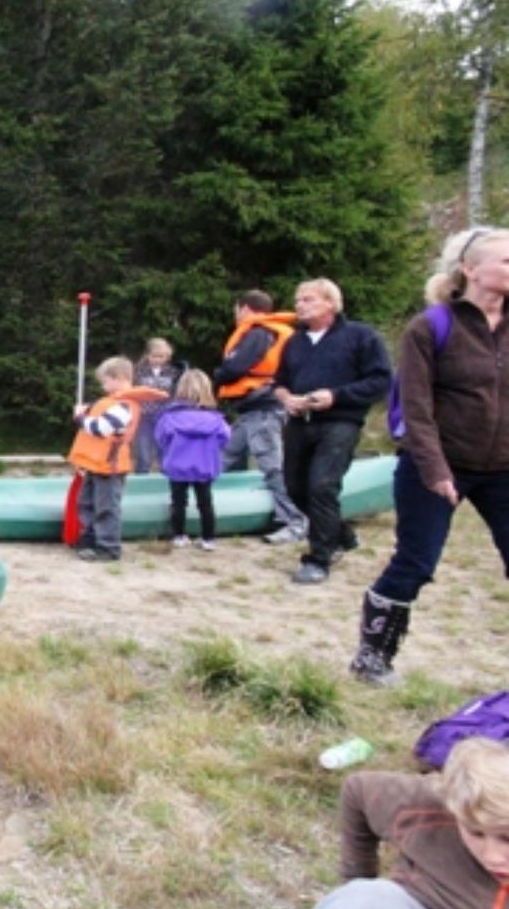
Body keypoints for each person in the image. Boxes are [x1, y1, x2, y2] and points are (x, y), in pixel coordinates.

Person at [351, 228, 509, 687]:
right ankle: (372, 658)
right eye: (506, 260)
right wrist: (436, 470)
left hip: (502, 468)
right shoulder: (431, 327)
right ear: (470, 269)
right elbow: (415, 408)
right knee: (416, 562)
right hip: (435, 464)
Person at [235, 736, 509, 909]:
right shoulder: (434, 805)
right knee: (372, 899)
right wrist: (355, 885)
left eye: (506, 838)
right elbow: (358, 791)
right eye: (475, 833)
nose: (493, 856)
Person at [273, 278, 392, 585]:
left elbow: (380, 381)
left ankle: (318, 559)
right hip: (300, 422)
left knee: (322, 486)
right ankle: (342, 535)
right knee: (295, 488)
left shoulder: (361, 336)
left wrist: (336, 396)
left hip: (340, 422)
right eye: (298, 300)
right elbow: (279, 382)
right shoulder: (294, 342)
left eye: (308, 299)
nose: (299, 305)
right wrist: (286, 399)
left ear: (330, 303)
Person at [215, 290, 308, 544]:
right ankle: (204, 506)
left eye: (237, 309)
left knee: (272, 467)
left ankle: (295, 522)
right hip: (252, 410)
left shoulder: (258, 333)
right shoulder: (276, 332)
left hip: (263, 409)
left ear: (244, 308)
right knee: (223, 456)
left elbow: (234, 368)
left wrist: (219, 374)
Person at [69, 357, 169, 563]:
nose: (103, 386)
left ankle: (108, 547)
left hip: (109, 466)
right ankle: (90, 539)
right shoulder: (113, 403)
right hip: (95, 464)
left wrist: (80, 417)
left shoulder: (124, 406)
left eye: (105, 381)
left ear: (120, 378)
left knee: (106, 507)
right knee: (87, 502)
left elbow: (100, 429)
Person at [153, 369, 229, 551]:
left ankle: (179, 536)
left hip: (177, 466)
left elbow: (160, 438)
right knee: (205, 502)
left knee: (178, 502)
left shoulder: (169, 418)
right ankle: (208, 539)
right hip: (204, 465)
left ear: (180, 389)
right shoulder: (216, 420)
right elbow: (225, 438)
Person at [132, 337, 185, 475]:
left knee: (163, 449)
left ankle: (165, 477)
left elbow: (176, 393)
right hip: (143, 415)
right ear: (148, 355)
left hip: (163, 416)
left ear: (167, 357)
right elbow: (133, 391)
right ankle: (141, 479)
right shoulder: (138, 371)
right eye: (154, 356)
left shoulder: (173, 372)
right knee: (143, 452)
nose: (157, 359)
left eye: (161, 356)